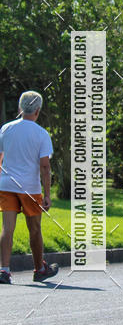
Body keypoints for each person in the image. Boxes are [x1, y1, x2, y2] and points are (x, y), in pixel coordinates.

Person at [0, 91, 59, 284]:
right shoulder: (41, 134)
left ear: (20, 108)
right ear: (38, 111)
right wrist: (47, 194)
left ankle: (4, 271)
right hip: (29, 188)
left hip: (6, 185)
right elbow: (44, 166)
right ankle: (39, 269)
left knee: (7, 229)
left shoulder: (6, 129)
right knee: (34, 229)